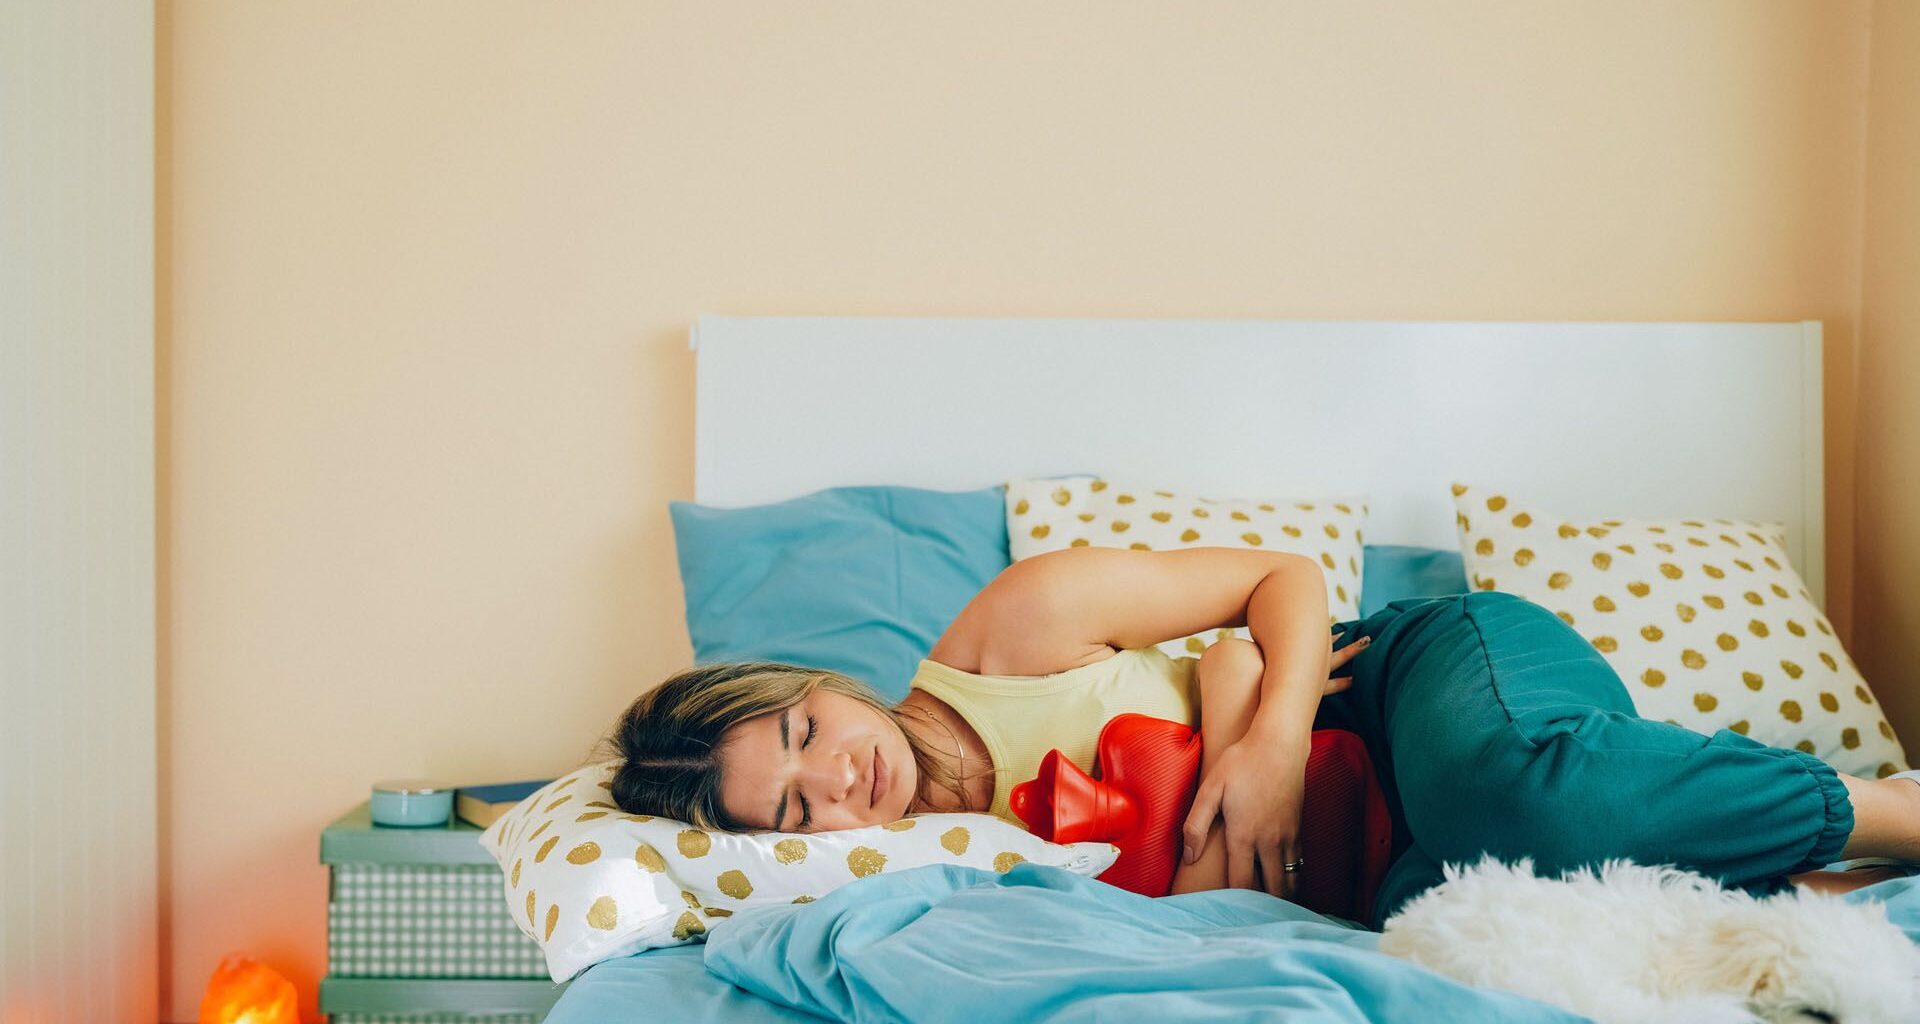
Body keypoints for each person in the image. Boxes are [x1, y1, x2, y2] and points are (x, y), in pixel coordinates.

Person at [607, 545, 1920, 926]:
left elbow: (1276, 587)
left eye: (800, 729)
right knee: (1484, 931)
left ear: (815, 681)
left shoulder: (1012, 630)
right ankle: (1812, 883)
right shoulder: (933, 889)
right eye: (793, 809)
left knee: (1512, 798)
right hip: (1373, 861)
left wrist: (1274, 734)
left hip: (1399, 681)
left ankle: (1889, 811)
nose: (835, 773)